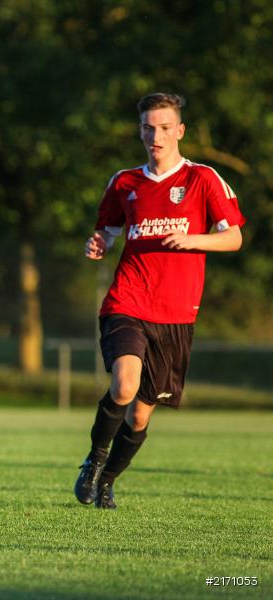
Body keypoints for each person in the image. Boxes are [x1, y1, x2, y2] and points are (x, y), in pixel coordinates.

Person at [75, 93, 244, 509]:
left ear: (180, 131)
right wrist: (98, 242)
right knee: (124, 384)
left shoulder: (203, 179)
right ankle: (93, 461)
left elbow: (234, 237)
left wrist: (192, 239)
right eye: (148, 127)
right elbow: (108, 231)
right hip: (127, 301)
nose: (156, 135)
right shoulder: (124, 182)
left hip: (176, 315)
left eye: (165, 127)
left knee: (139, 415)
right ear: (140, 131)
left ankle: (109, 480)